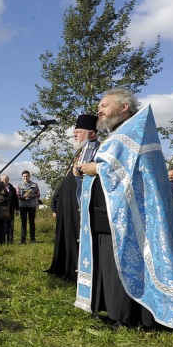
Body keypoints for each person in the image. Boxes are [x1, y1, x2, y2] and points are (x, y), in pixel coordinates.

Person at [75, 89, 173, 330]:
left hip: (129, 219)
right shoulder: (117, 133)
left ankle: (126, 318)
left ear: (124, 107)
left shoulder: (135, 132)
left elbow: (132, 173)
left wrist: (97, 169)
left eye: (104, 105)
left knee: (122, 263)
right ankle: (113, 312)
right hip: (107, 215)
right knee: (109, 265)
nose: (99, 110)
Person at [46, 115, 98, 282]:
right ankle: (65, 267)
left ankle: (79, 273)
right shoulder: (80, 151)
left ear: (92, 134)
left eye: (78, 131)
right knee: (66, 236)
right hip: (67, 205)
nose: (75, 135)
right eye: (74, 132)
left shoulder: (98, 151)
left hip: (81, 204)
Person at [16, 170, 40, 244]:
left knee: (32, 222)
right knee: (23, 223)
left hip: (32, 206)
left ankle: (32, 239)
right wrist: (23, 196)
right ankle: (23, 240)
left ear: (29, 176)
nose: (25, 177)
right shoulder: (19, 185)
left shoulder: (35, 185)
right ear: (22, 177)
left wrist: (31, 195)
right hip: (23, 206)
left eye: (27, 176)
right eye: (24, 176)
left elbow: (38, 194)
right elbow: (17, 196)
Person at [0, 175, 19, 243]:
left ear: (8, 180)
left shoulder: (12, 189)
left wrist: (17, 209)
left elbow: (15, 199)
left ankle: (10, 239)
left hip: (10, 209)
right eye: (3, 179)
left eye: (6, 179)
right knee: (3, 225)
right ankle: (2, 239)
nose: (4, 181)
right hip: (2, 209)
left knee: (11, 225)